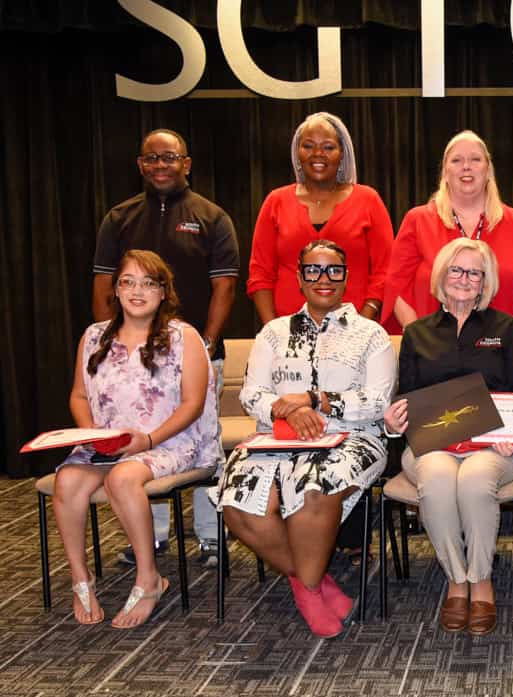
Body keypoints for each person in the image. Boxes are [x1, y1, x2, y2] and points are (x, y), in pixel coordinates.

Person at [215, 240, 394, 638]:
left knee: (315, 486)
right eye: (313, 270)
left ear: (347, 278)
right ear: (299, 278)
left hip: (352, 436)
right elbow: (251, 395)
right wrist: (290, 410)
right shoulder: (273, 333)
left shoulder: (371, 335)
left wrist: (319, 402)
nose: (324, 279)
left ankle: (307, 588)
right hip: (276, 437)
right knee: (239, 500)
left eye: (334, 270)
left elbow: (378, 401)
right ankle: (311, 583)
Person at [92, 128, 238, 568]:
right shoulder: (119, 218)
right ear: (140, 165)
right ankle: (151, 536)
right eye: (152, 158)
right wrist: (109, 342)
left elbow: (225, 287)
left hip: (198, 354)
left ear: (186, 164)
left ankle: (212, 537)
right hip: (133, 358)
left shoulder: (212, 217)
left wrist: (206, 344)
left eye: (169, 157)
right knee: (142, 440)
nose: (160, 165)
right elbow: (102, 284)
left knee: (204, 442)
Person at [57, 250, 221, 628]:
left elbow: (194, 404)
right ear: (115, 289)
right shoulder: (94, 336)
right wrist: (91, 434)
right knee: (67, 480)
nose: (137, 290)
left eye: (149, 283)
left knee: (123, 477)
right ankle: (80, 578)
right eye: (127, 281)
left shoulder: (184, 337)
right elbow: (79, 396)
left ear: (164, 292)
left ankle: (149, 579)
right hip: (106, 446)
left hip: (169, 442)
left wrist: (146, 440)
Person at [389, 238, 513, 636]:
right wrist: (393, 418)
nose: (465, 279)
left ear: (485, 281)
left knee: (473, 480)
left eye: (475, 272)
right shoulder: (417, 333)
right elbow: (406, 399)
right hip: (433, 445)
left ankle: (481, 580)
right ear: (441, 275)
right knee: (436, 479)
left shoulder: (507, 329)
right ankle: (457, 579)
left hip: (499, 446)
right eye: (457, 270)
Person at [388, 130, 513, 341]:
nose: (466, 166)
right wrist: (421, 340)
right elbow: (397, 287)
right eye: (457, 160)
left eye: (475, 159)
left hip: (499, 350)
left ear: (488, 170)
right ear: (444, 172)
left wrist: (511, 340)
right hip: (433, 349)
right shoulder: (417, 220)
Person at [247, 111, 395, 331]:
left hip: (354, 331)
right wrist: (274, 331)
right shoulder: (275, 201)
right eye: (308, 146)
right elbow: (260, 274)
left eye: (328, 147)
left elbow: (385, 270)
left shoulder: (368, 200)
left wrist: (362, 325)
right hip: (289, 332)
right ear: (297, 153)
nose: (318, 154)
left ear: (342, 154)